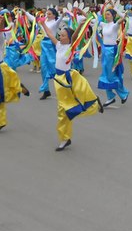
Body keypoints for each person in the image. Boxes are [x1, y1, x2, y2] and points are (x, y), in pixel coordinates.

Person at [40, 20, 103, 151]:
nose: (60, 37)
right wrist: (43, 24)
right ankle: (65, 138)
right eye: (60, 35)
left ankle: (65, 138)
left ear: (68, 38)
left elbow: (75, 36)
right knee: (64, 109)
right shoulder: (58, 46)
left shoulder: (70, 46)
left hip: (66, 79)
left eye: (63, 35)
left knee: (65, 109)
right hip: (58, 80)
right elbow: (50, 34)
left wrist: (80, 25)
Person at [25, 8, 62, 100]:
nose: (47, 15)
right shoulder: (44, 20)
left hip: (51, 45)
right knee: (44, 68)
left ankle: (62, 89)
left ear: (54, 15)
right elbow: (33, 19)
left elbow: (61, 18)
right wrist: (25, 12)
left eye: (49, 14)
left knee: (54, 68)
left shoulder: (55, 22)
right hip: (44, 45)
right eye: (47, 13)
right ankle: (46, 90)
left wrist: (65, 14)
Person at [98, 7, 130, 107]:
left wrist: (115, 8)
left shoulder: (114, 25)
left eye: (108, 14)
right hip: (105, 50)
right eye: (105, 14)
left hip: (112, 51)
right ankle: (111, 96)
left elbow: (124, 17)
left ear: (113, 16)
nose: (106, 16)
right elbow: (91, 19)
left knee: (111, 75)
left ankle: (123, 93)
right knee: (106, 74)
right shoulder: (103, 24)